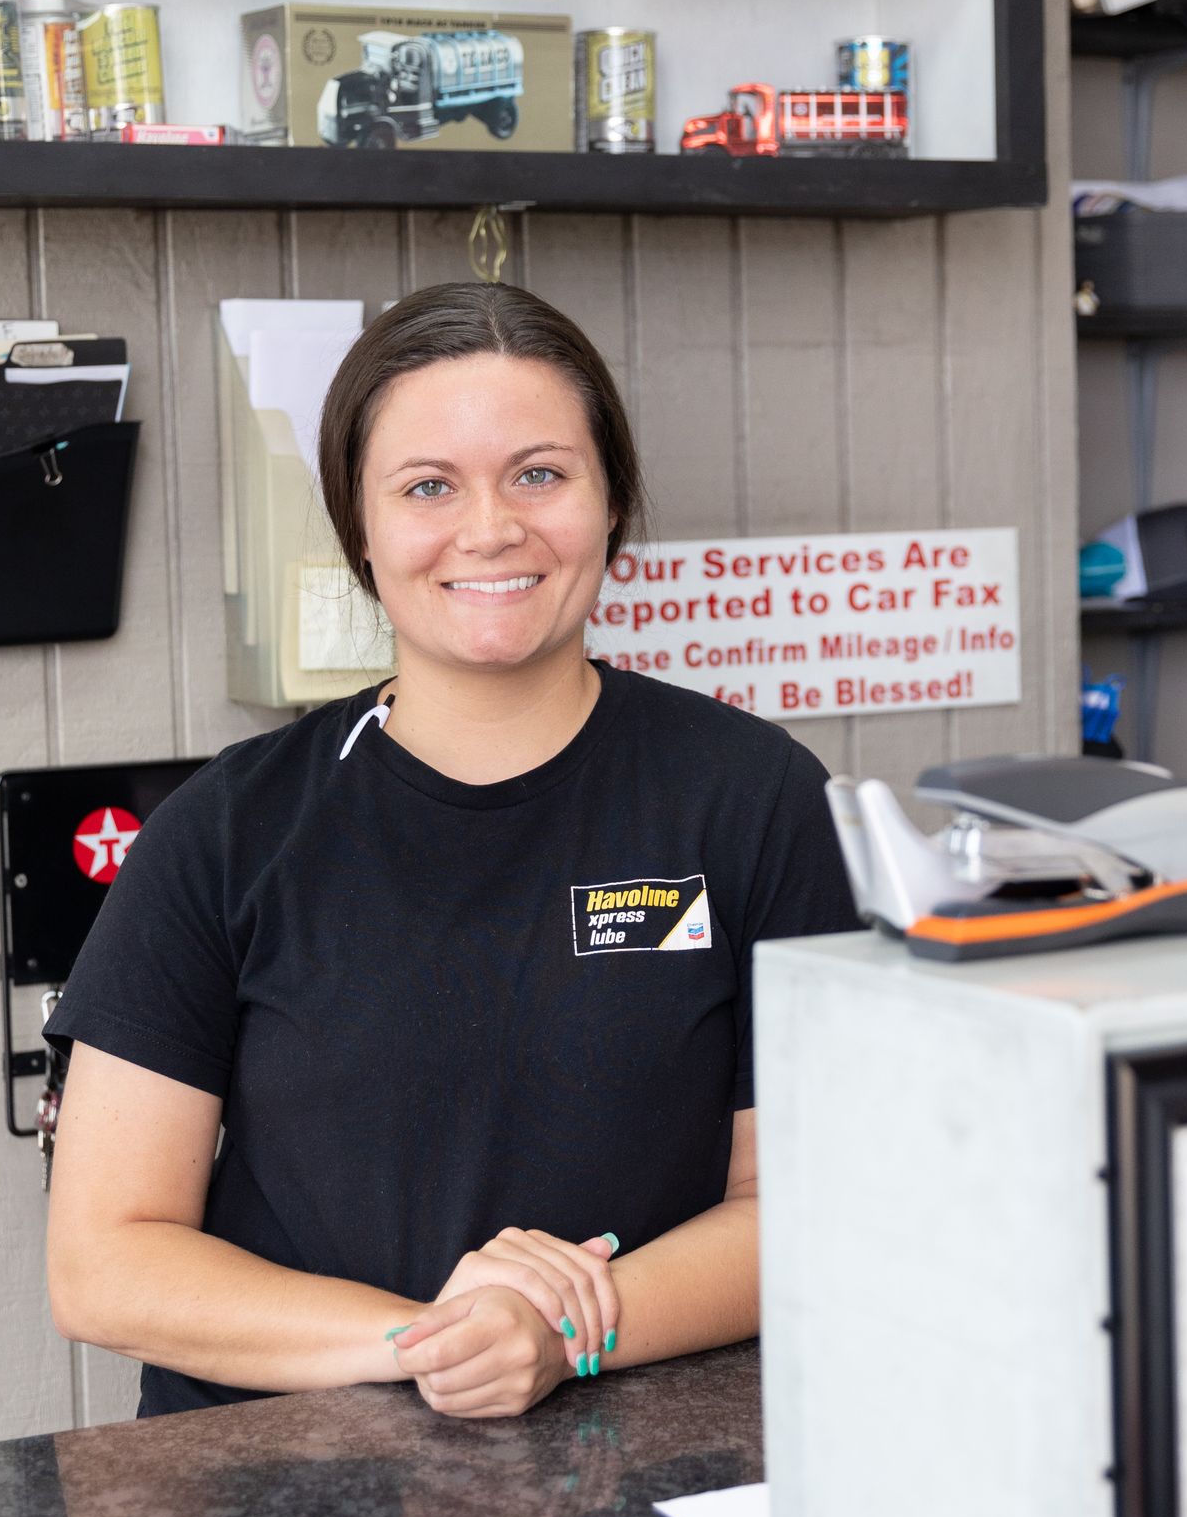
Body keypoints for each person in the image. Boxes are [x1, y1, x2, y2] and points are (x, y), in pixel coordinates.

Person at [44, 281, 857, 1417]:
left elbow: (811, 1203)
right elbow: (105, 1264)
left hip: (663, 1484)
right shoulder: (225, 834)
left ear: (611, 500)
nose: (490, 528)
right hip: (278, 1515)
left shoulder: (753, 799)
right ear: (361, 533)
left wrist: (563, 1329)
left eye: (540, 473)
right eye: (428, 486)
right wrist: (444, 1342)